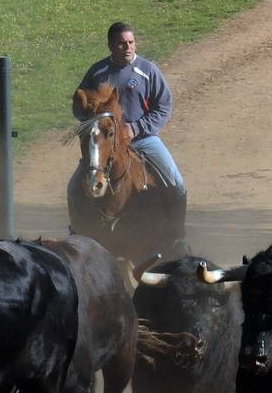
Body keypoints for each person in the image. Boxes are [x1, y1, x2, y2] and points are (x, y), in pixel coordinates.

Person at [72, 21, 187, 234]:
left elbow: (163, 107)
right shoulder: (97, 72)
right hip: (106, 142)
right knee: (73, 187)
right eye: (122, 43)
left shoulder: (148, 70)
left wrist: (136, 128)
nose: (128, 48)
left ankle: (177, 235)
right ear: (110, 45)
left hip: (143, 139)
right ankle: (77, 232)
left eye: (131, 42)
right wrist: (91, 120)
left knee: (177, 185)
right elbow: (79, 105)